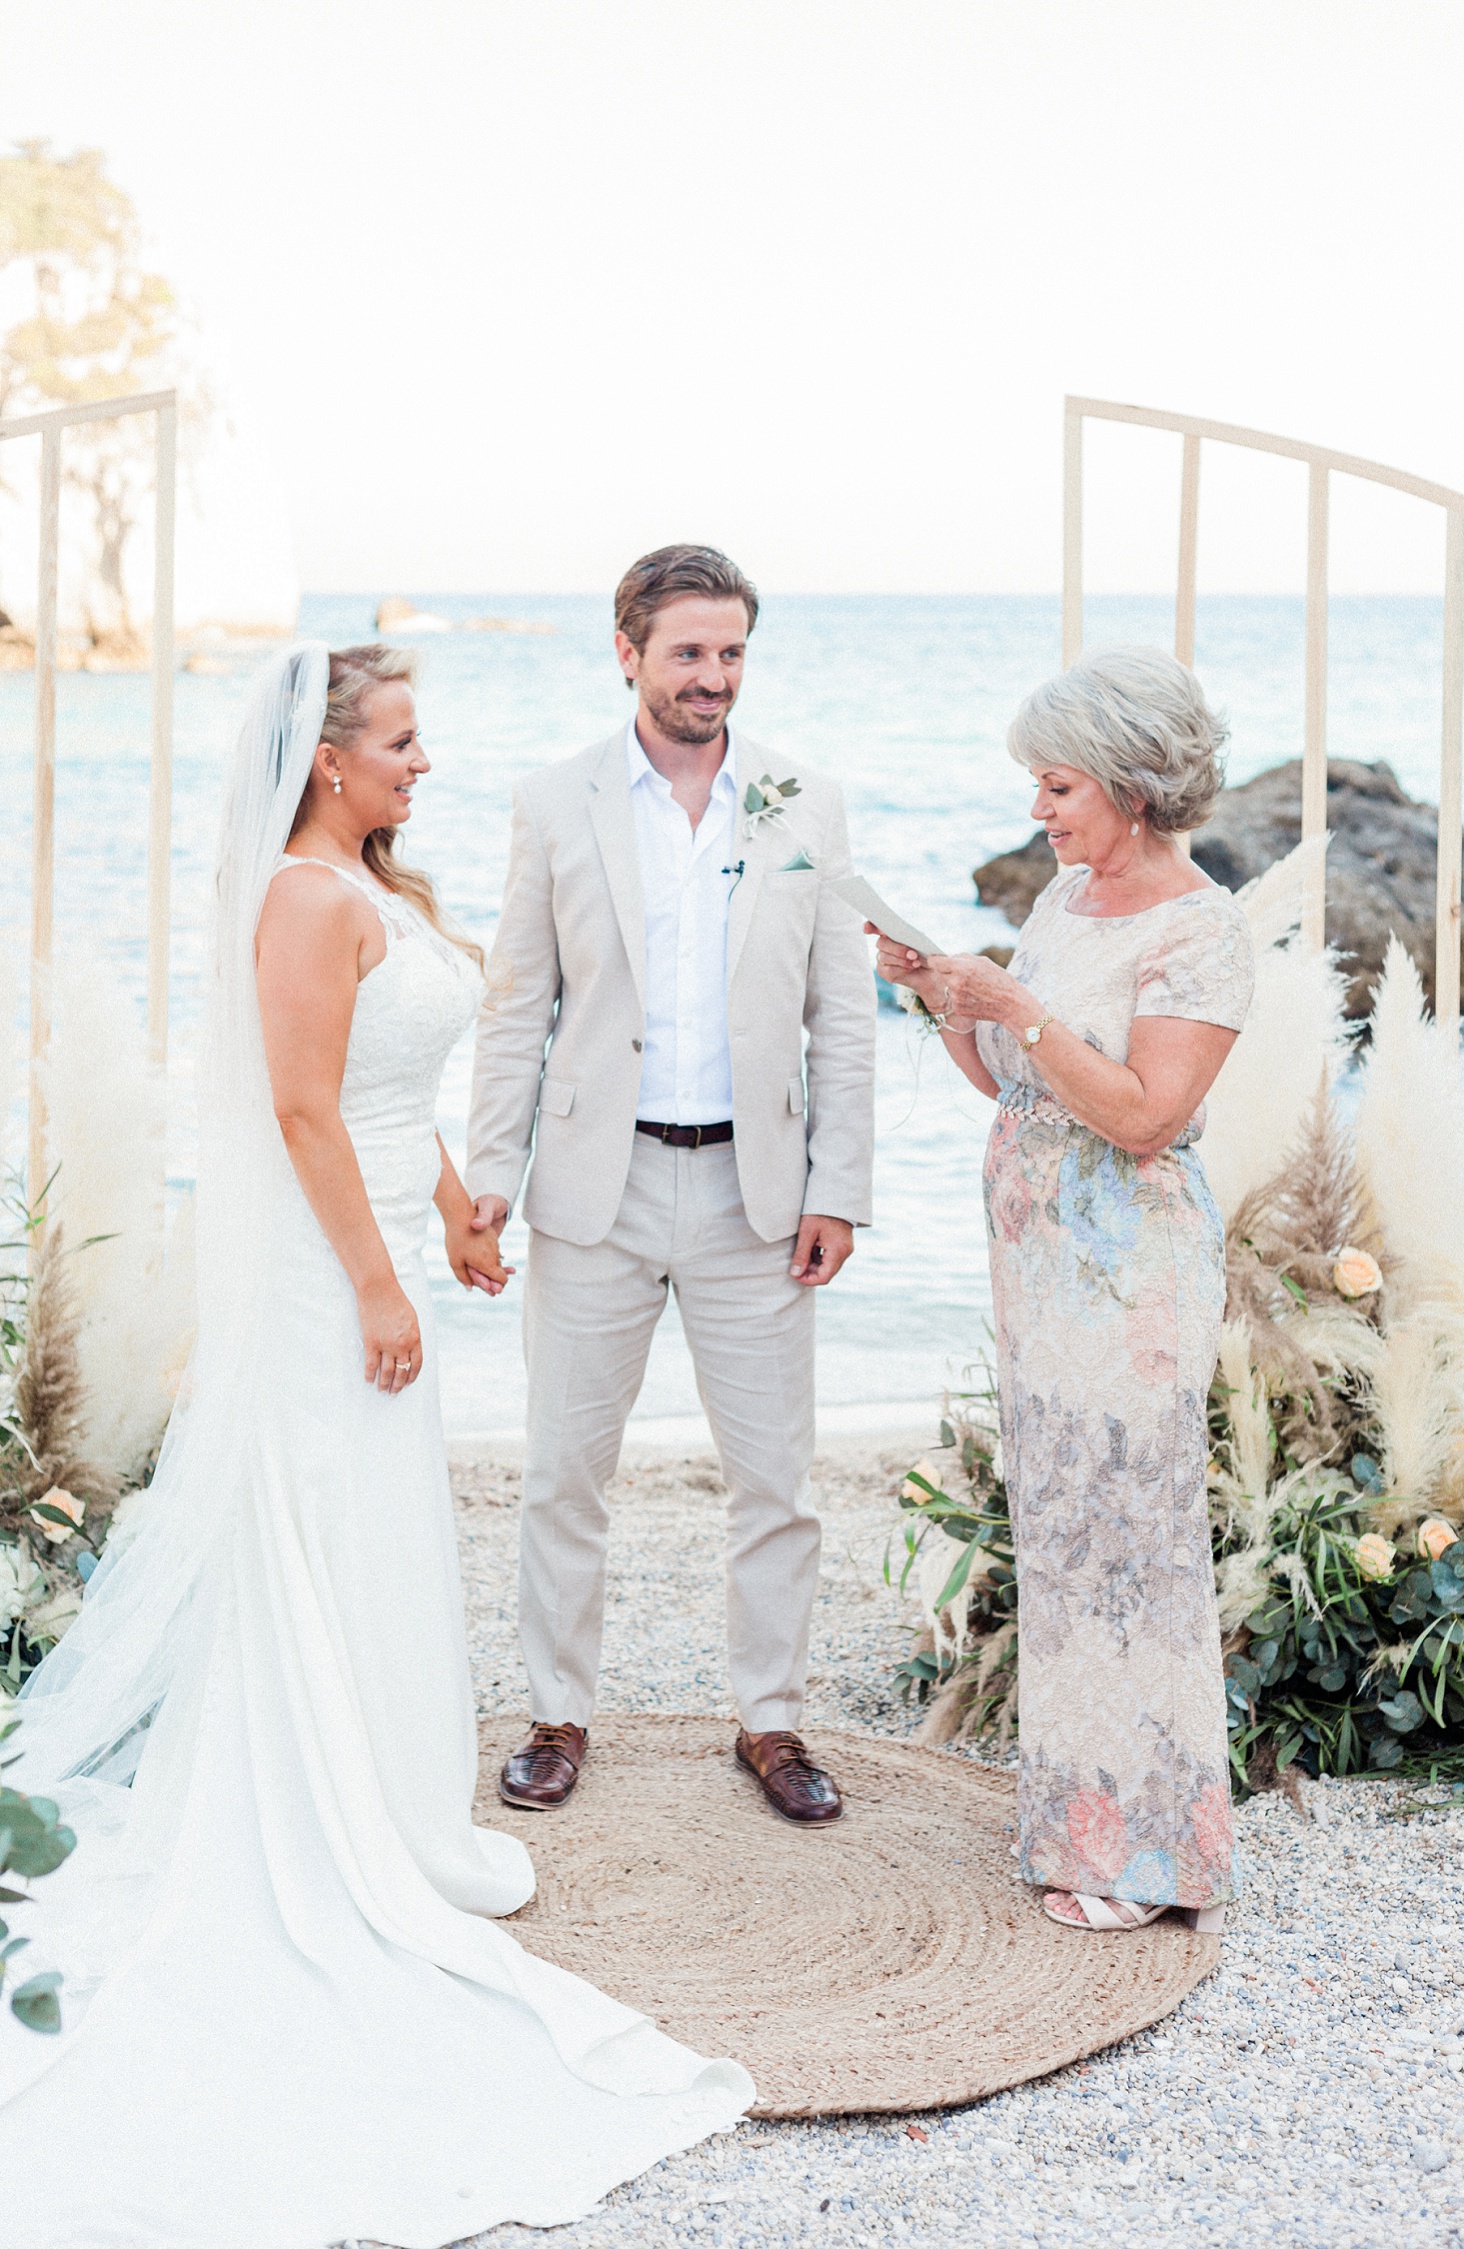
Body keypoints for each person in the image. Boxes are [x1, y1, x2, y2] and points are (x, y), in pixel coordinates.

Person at [0, 644, 752, 2245]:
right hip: (310, 1278)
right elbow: (299, 1109)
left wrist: (455, 1216)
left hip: (369, 1242)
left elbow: (386, 1098)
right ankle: (325, 1814)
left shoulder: (366, 885)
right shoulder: (300, 897)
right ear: (329, 759)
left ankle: (396, 1805)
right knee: (321, 1516)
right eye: (403, 742)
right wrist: (374, 1280)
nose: (427, 763)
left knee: (379, 1526)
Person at [467, 545, 876, 1824]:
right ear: (630, 652)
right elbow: (517, 1004)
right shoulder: (555, 799)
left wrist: (839, 1187)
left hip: (759, 1198)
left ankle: (771, 1722)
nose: (714, 677)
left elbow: (844, 1016)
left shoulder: (806, 801)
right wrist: (487, 1175)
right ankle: (556, 1711)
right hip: (600, 1183)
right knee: (562, 1472)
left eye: (733, 652)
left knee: (778, 1484)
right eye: (689, 651)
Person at [876, 644, 1250, 1933]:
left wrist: (1019, 1008)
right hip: (1037, 1264)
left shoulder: (1200, 927)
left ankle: (1151, 1854)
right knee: (1064, 1537)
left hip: (1131, 1271)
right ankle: (1077, 1821)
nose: (1039, 810)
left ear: (1132, 786)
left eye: (1058, 785)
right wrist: (946, 1000)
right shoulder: (1065, 899)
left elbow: (1146, 1115)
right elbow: (1013, 1083)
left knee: (1133, 1546)